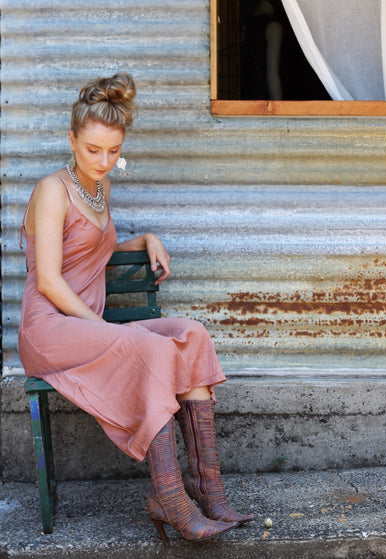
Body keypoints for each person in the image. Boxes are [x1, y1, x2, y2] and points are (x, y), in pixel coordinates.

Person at [18, 72, 253, 545]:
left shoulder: (99, 190)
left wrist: (146, 238)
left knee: (191, 333)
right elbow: (48, 278)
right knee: (146, 347)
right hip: (50, 329)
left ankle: (209, 487)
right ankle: (169, 497)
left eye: (112, 150)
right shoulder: (51, 190)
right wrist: (103, 327)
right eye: (91, 150)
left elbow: (90, 251)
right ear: (71, 139)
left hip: (89, 328)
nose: (103, 161)